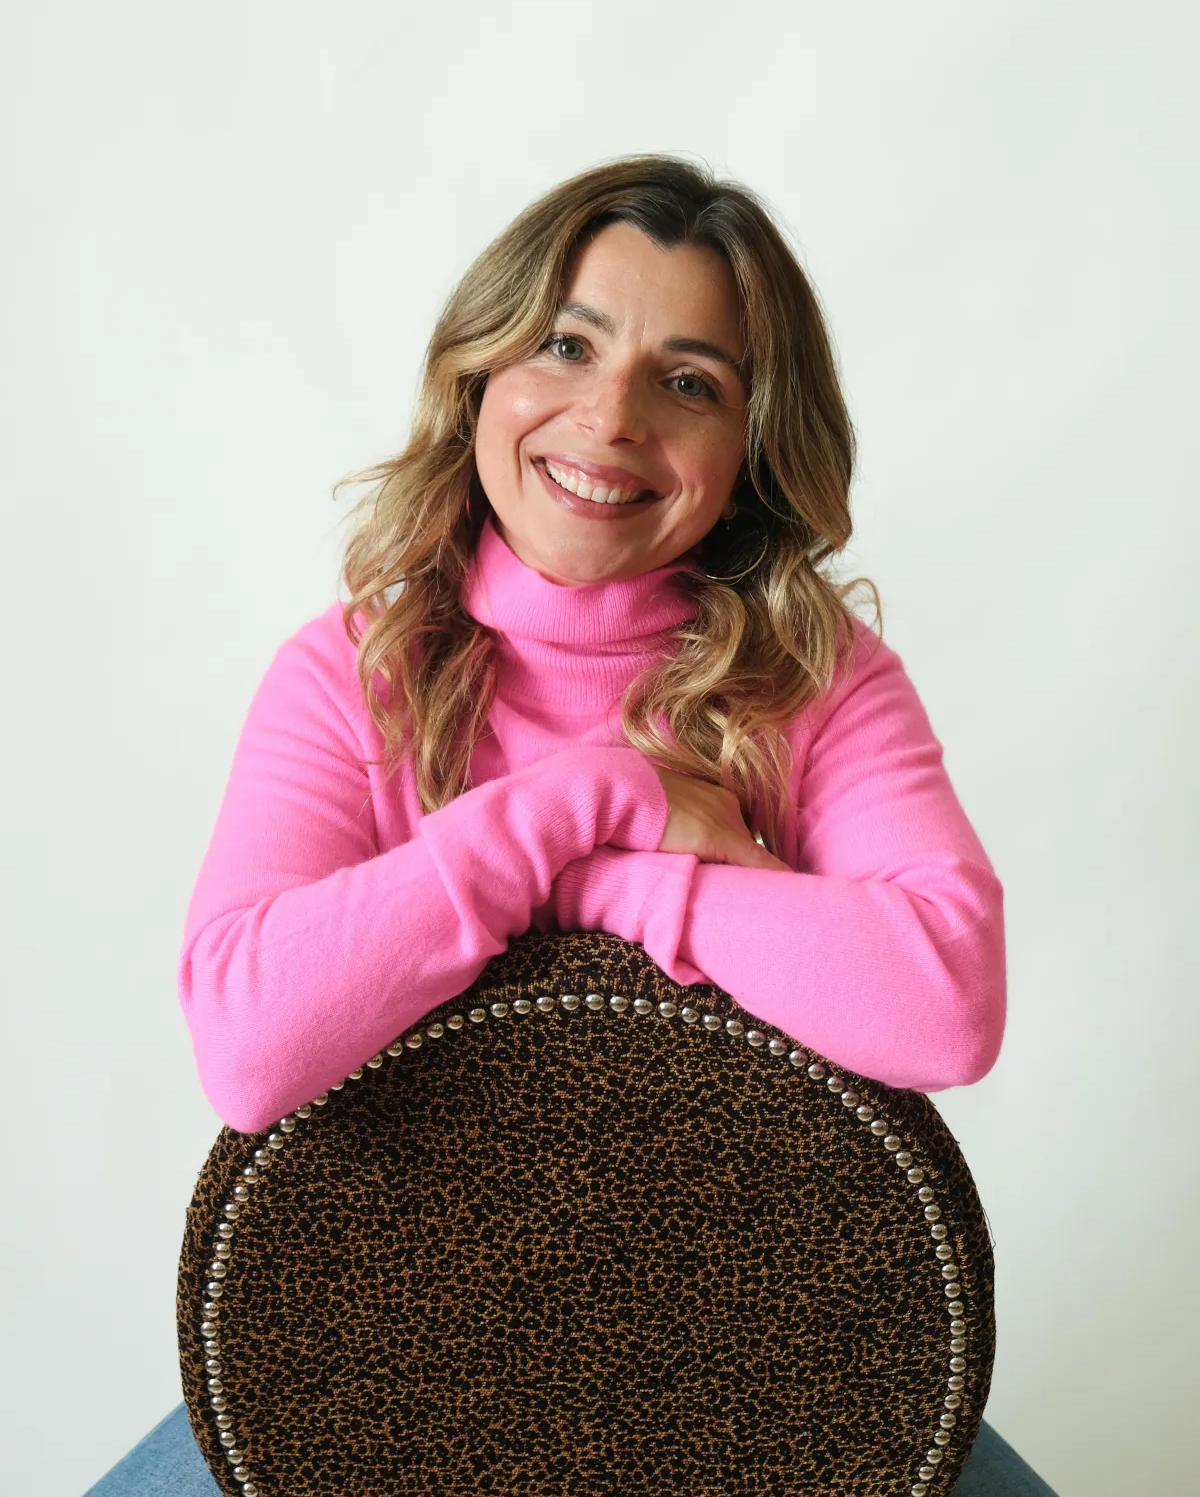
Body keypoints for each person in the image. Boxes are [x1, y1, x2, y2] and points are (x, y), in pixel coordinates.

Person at [86, 156, 1056, 1495]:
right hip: (373, 1357)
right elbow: (248, 1048)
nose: (610, 418)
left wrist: (613, 890)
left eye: (690, 382)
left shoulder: (819, 686)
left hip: (752, 1368)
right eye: (567, 344)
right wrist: (588, 802)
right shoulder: (353, 677)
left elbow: (944, 1002)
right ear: (481, 372)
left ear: (753, 447)